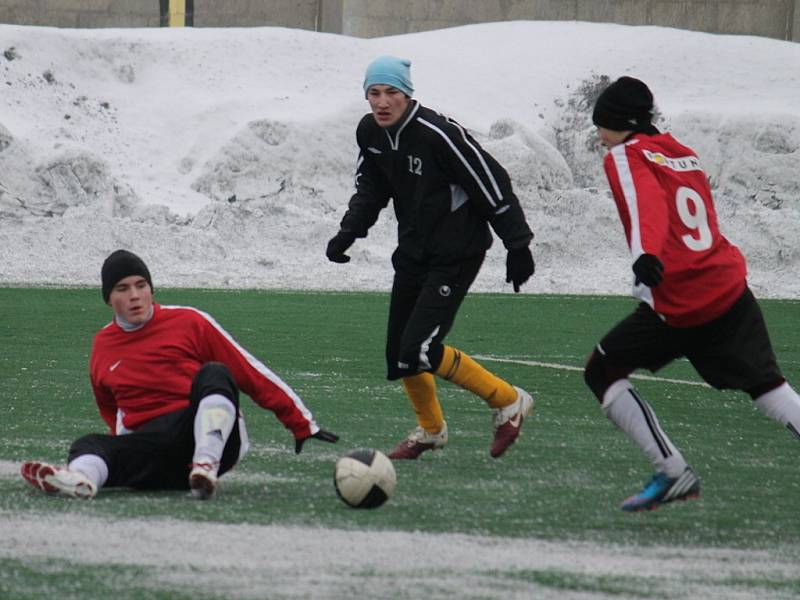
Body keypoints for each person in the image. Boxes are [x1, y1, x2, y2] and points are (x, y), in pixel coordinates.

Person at [585, 76, 800, 512]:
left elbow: (645, 202)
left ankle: (672, 471)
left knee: (602, 371)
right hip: (728, 287)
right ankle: (672, 473)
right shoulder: (682, 153)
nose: (599, 135)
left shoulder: (626, 153)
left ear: (621, 124)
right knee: (769, 387)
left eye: (602, 125)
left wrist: (644, 252)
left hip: (682, 299)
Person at [326, 55, 536, 460]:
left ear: (407, 94)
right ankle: (430, 430)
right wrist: (348, 232)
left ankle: (509, 401)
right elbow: (371, 188)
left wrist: (518, 244)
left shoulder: (437, 134)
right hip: (414, 250)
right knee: (401, 355)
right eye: (374, 93)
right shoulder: (369, 132)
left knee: (420, 347)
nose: (383, 102)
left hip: (456, 252)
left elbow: (492, 182)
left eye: (392, 93)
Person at [21, 249, 338, 500]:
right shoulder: (102, 345)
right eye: (123, 288)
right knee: (88, 445)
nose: (134, 295)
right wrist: (127, 451)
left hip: (205, 434)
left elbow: (248, 371)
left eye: (141, 285)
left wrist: (300, 423)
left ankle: (205, 466)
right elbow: (111, 410)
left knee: (215, 374)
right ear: (109, 299)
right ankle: (79, 481)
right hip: (155, 449)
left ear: (151, 289)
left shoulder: (189, 321)